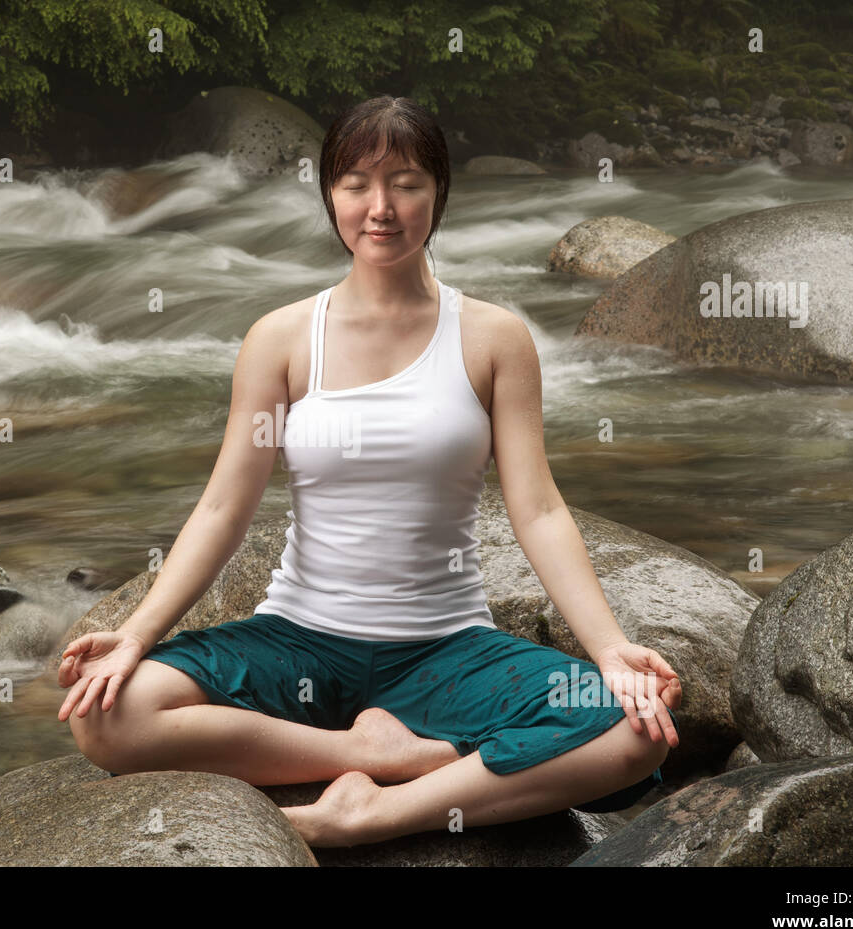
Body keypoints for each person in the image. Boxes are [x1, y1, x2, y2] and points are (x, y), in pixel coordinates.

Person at [57, 95, 683, 849]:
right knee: (106, 715)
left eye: (406, 182)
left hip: (446, 648)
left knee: (635, 732)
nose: (380, 207)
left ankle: (372, 813)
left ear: (439, 193)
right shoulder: (282, 339)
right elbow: (224, 508)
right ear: (329, 194)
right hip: (299, 641)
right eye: (356, 183)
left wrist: (611, 651)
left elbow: (540, 510)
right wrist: (132, 635)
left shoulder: (493, 339)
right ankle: (369, 754)